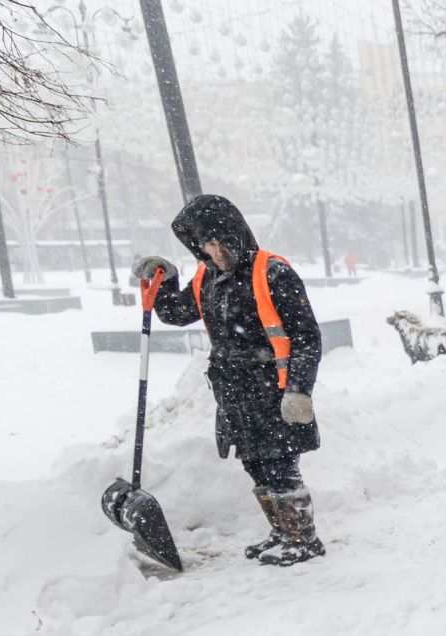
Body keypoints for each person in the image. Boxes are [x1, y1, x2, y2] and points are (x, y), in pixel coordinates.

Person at [131, 194, 327, 567]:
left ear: (237, 235)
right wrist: (166, 282)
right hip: (234, 390)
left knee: (280, 464)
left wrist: (299, 390)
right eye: (207, 245)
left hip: (273, 388)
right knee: (254, 462)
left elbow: (306, 336)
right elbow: (177, 313)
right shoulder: (208, 277)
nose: (216, 252)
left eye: (222, 242)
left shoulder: (272, 272)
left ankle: (303, 539)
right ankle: (282, 532)